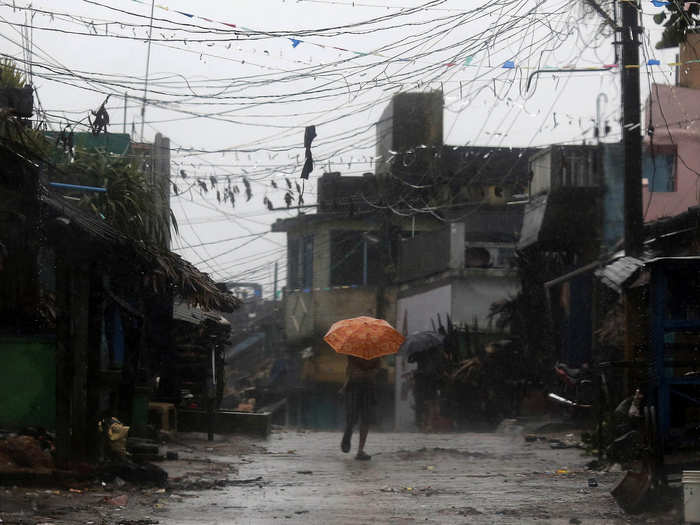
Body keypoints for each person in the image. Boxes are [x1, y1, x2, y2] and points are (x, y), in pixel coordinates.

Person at [339, 355, 380, 460]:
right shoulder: (353, 352)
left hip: (369, 387)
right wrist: (354, 374)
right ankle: (348, 432)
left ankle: (360, 450)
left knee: (366, 419)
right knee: (352, 416)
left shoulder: (376, 354)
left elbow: (376, 369)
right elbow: (349, 369)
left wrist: (371, 373)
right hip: (354, 386)